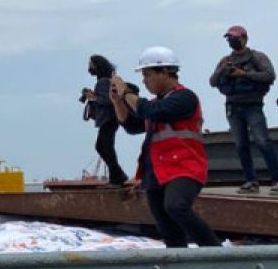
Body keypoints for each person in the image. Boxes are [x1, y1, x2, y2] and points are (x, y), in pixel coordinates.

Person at [111, 46, 220, 249]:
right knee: (165, 225)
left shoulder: (184, 98)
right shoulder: (156, 104)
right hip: (157, 172)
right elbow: (132, 125)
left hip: (184, 168)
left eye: (148, 75)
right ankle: (178, 260)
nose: (145, 81)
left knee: (176, 206)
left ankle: (215, 250)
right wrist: (118, 101)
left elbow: (152, 111)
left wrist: (126, 91)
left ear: (165, 72)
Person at [207, 25, 278, 195]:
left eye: (234, 37)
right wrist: (223, 70)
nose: (231, 41)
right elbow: (212, 82)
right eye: (229, 38)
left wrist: (243, 74)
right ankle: (251, 180)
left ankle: (277, 181)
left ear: (244, 38)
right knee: (241, 145)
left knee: (263, 142)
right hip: (232, 107)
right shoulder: (225, 60)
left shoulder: (257, 57)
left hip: (253, 106)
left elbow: (269, 76)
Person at [80, 55, 128, 185]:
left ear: (97, 66)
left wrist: (92, 97)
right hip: (110, 118)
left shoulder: (102, 82)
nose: (89, 67)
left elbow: (107, 100)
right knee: (103, 146)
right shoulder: (105, 81)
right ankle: (117, 174)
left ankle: (118, 175)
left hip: (108, 118)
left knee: (104, 146)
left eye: (91, 64)